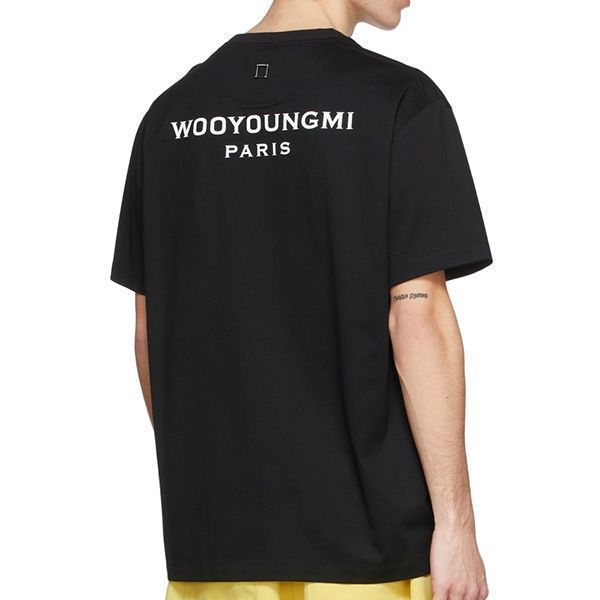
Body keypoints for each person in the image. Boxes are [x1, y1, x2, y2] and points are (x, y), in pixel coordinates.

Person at [110, 0, 493, 598]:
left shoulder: (169, 118)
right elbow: (416, 314)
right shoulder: (398, 102)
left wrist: (210, 483)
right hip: (367, 553)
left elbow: (149, 331)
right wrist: (457, 525)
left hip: (214, 547)